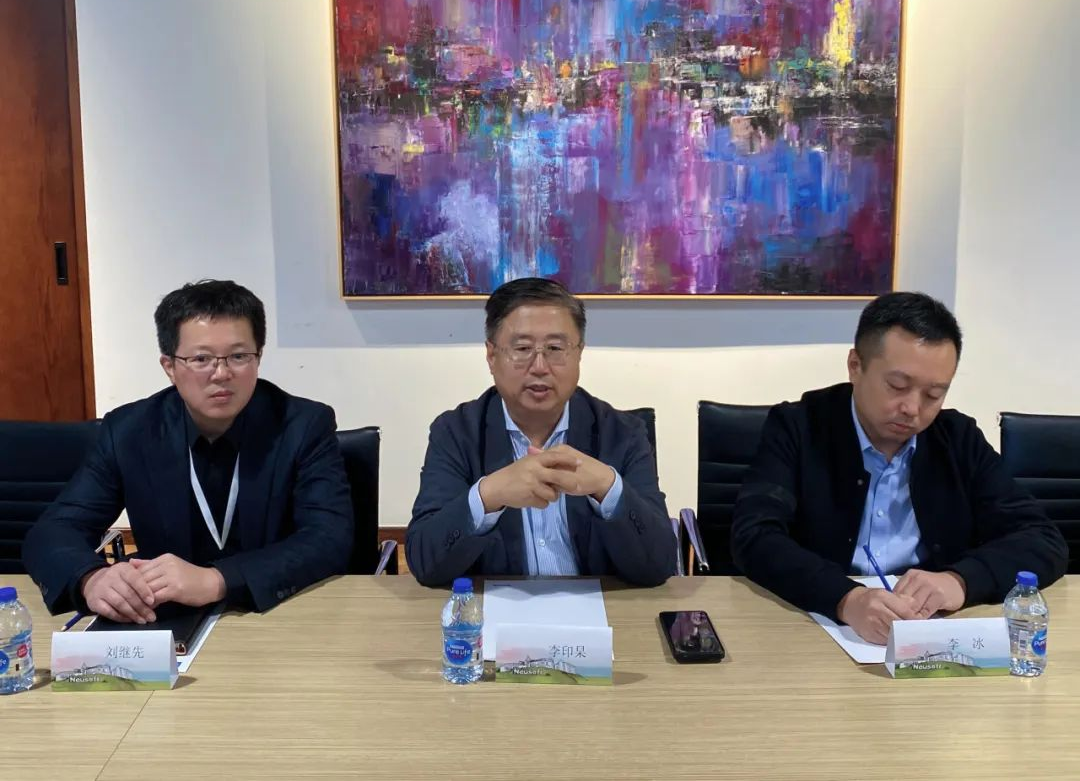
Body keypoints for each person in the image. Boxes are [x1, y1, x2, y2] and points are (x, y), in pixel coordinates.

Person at [731, 291, 1067, 644]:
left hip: (929, 633)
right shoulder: (798, 427)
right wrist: (845, 598)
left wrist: (960, 581)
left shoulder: (957, 438)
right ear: (855, 366)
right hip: (816, 628)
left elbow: (1042, 539)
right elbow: (754, 536)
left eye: (933, 394)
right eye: (897, 386)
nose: (912, 408)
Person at [23, 280, 353, 621]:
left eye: (239, 356)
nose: (221, 373)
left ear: (259, 358)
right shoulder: (129, 431)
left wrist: (218, 580)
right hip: (165, 618)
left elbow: (329, 537)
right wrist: (91, 578)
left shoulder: (303, 425)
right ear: (169, 367)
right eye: (201, 359)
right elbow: (54, 530)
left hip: (275, 613)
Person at [406, 277, 675, 587]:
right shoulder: (456, 433)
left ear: (579, 354)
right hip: (498, 609)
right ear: (491, 356)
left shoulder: (623, 433)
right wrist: (488, 495)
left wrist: (607, 487)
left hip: (599, 610)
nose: (539, 366)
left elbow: (660, 565)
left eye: (555, 348)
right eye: (522, 348)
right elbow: (425, 564)